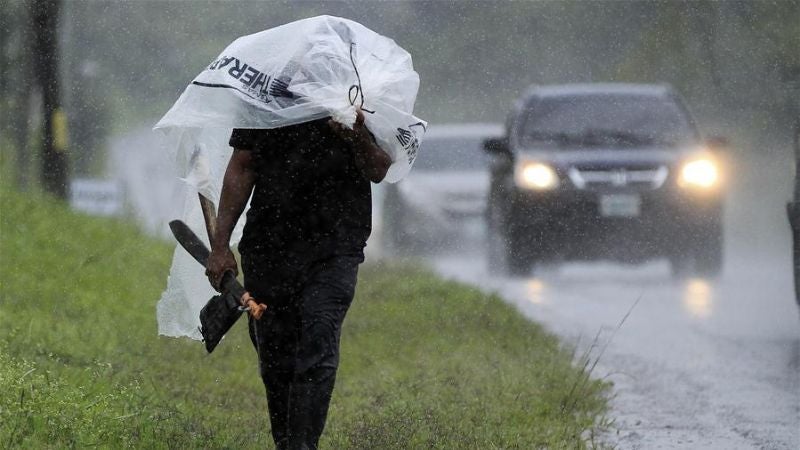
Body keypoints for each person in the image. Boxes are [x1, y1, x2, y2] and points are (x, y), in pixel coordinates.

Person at [206, 109, 391, 449]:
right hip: (269, 248)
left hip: (335, 249)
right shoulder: (264, 97)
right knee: (276, 354)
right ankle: (286, 442)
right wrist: (220, 246)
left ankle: (302, 445)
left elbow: (379, 168)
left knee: (318, 338)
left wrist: (355, 134)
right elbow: (242, 165)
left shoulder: (359, 97)